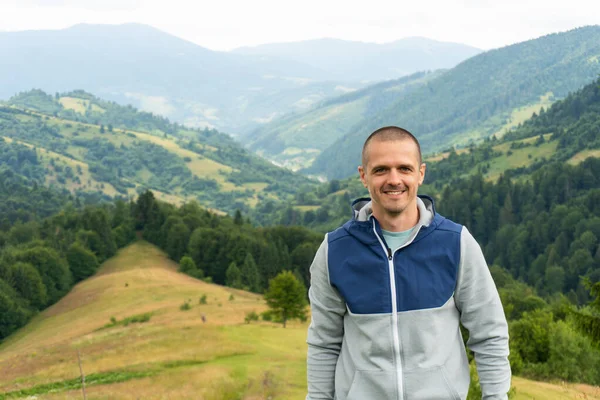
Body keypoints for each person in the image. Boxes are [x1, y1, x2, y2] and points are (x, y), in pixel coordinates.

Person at [306, 126, 510, 400]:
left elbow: (489, 333)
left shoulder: (456, 243)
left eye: (404, 168)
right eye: (381, 170)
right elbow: (323, 344)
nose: (394, 179)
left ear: (420, 173)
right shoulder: (334, 250)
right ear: (363, 176)